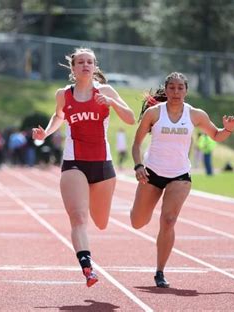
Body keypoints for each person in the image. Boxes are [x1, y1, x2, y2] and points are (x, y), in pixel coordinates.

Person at [32, 48, 135, 287]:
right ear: (73, 68)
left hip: (102, 164)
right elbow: (58, 116)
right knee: (78, 217)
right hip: (74, 162)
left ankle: (88, 254)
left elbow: (130, 118)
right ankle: (87, 266)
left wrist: (110, 102)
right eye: (81, 62)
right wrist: (46, 132)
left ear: (95, 66)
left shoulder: (105, 91)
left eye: (90, 62)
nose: (85, 65)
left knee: (100, 221)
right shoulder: (63, 94)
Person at [131, 72, 234, 288]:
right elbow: (136, 144)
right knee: (138, 222)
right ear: (166, 89)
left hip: (180, 175)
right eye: (172, 88)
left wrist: (228, 129)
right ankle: (140, 212)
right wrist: (138, 165)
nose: (176, 92)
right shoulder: (153, 113)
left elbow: (216, 135)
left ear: (186, 91)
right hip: (152, 173)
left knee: (168, 220)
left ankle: (160, 271)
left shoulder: (195, 115)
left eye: (180, 88)